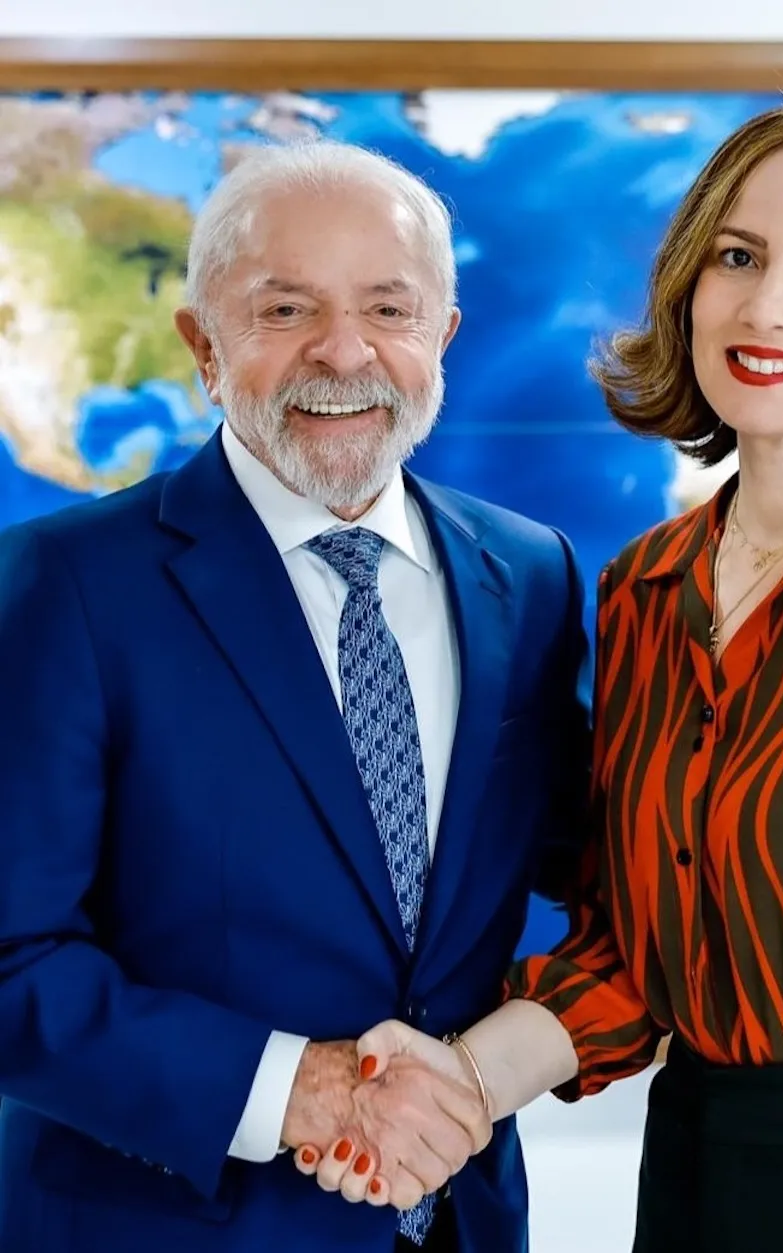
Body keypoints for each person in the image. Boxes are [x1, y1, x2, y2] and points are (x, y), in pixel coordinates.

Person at [297, 102, 783, 1253]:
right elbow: (633, 954)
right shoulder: (649, 587)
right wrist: (456, 1082)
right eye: (738, 257)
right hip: (692, 1175)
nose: (768, 306)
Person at [0, 139, 591, 1253]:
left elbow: (597, 873)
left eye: (389, 309)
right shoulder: (64, 585)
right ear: (203, 347)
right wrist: (299, 1091)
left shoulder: (531, 574)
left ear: (443, 337)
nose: (345, 350)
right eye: (285, 310)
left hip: (457, 1223)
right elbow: (11, 957)